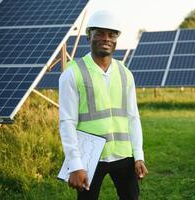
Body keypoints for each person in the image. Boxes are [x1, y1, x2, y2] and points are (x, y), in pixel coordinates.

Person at [59, 10, 148, 200]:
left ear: (117, 39)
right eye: (99, 33)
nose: (106, 38)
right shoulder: (73, 73)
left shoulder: (125, 73)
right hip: (90, 158)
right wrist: (75, 164)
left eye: (112, 34)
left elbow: (133, 117)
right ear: (88, 36)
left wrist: (138, 155)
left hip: (124, 156)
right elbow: (67, 122)